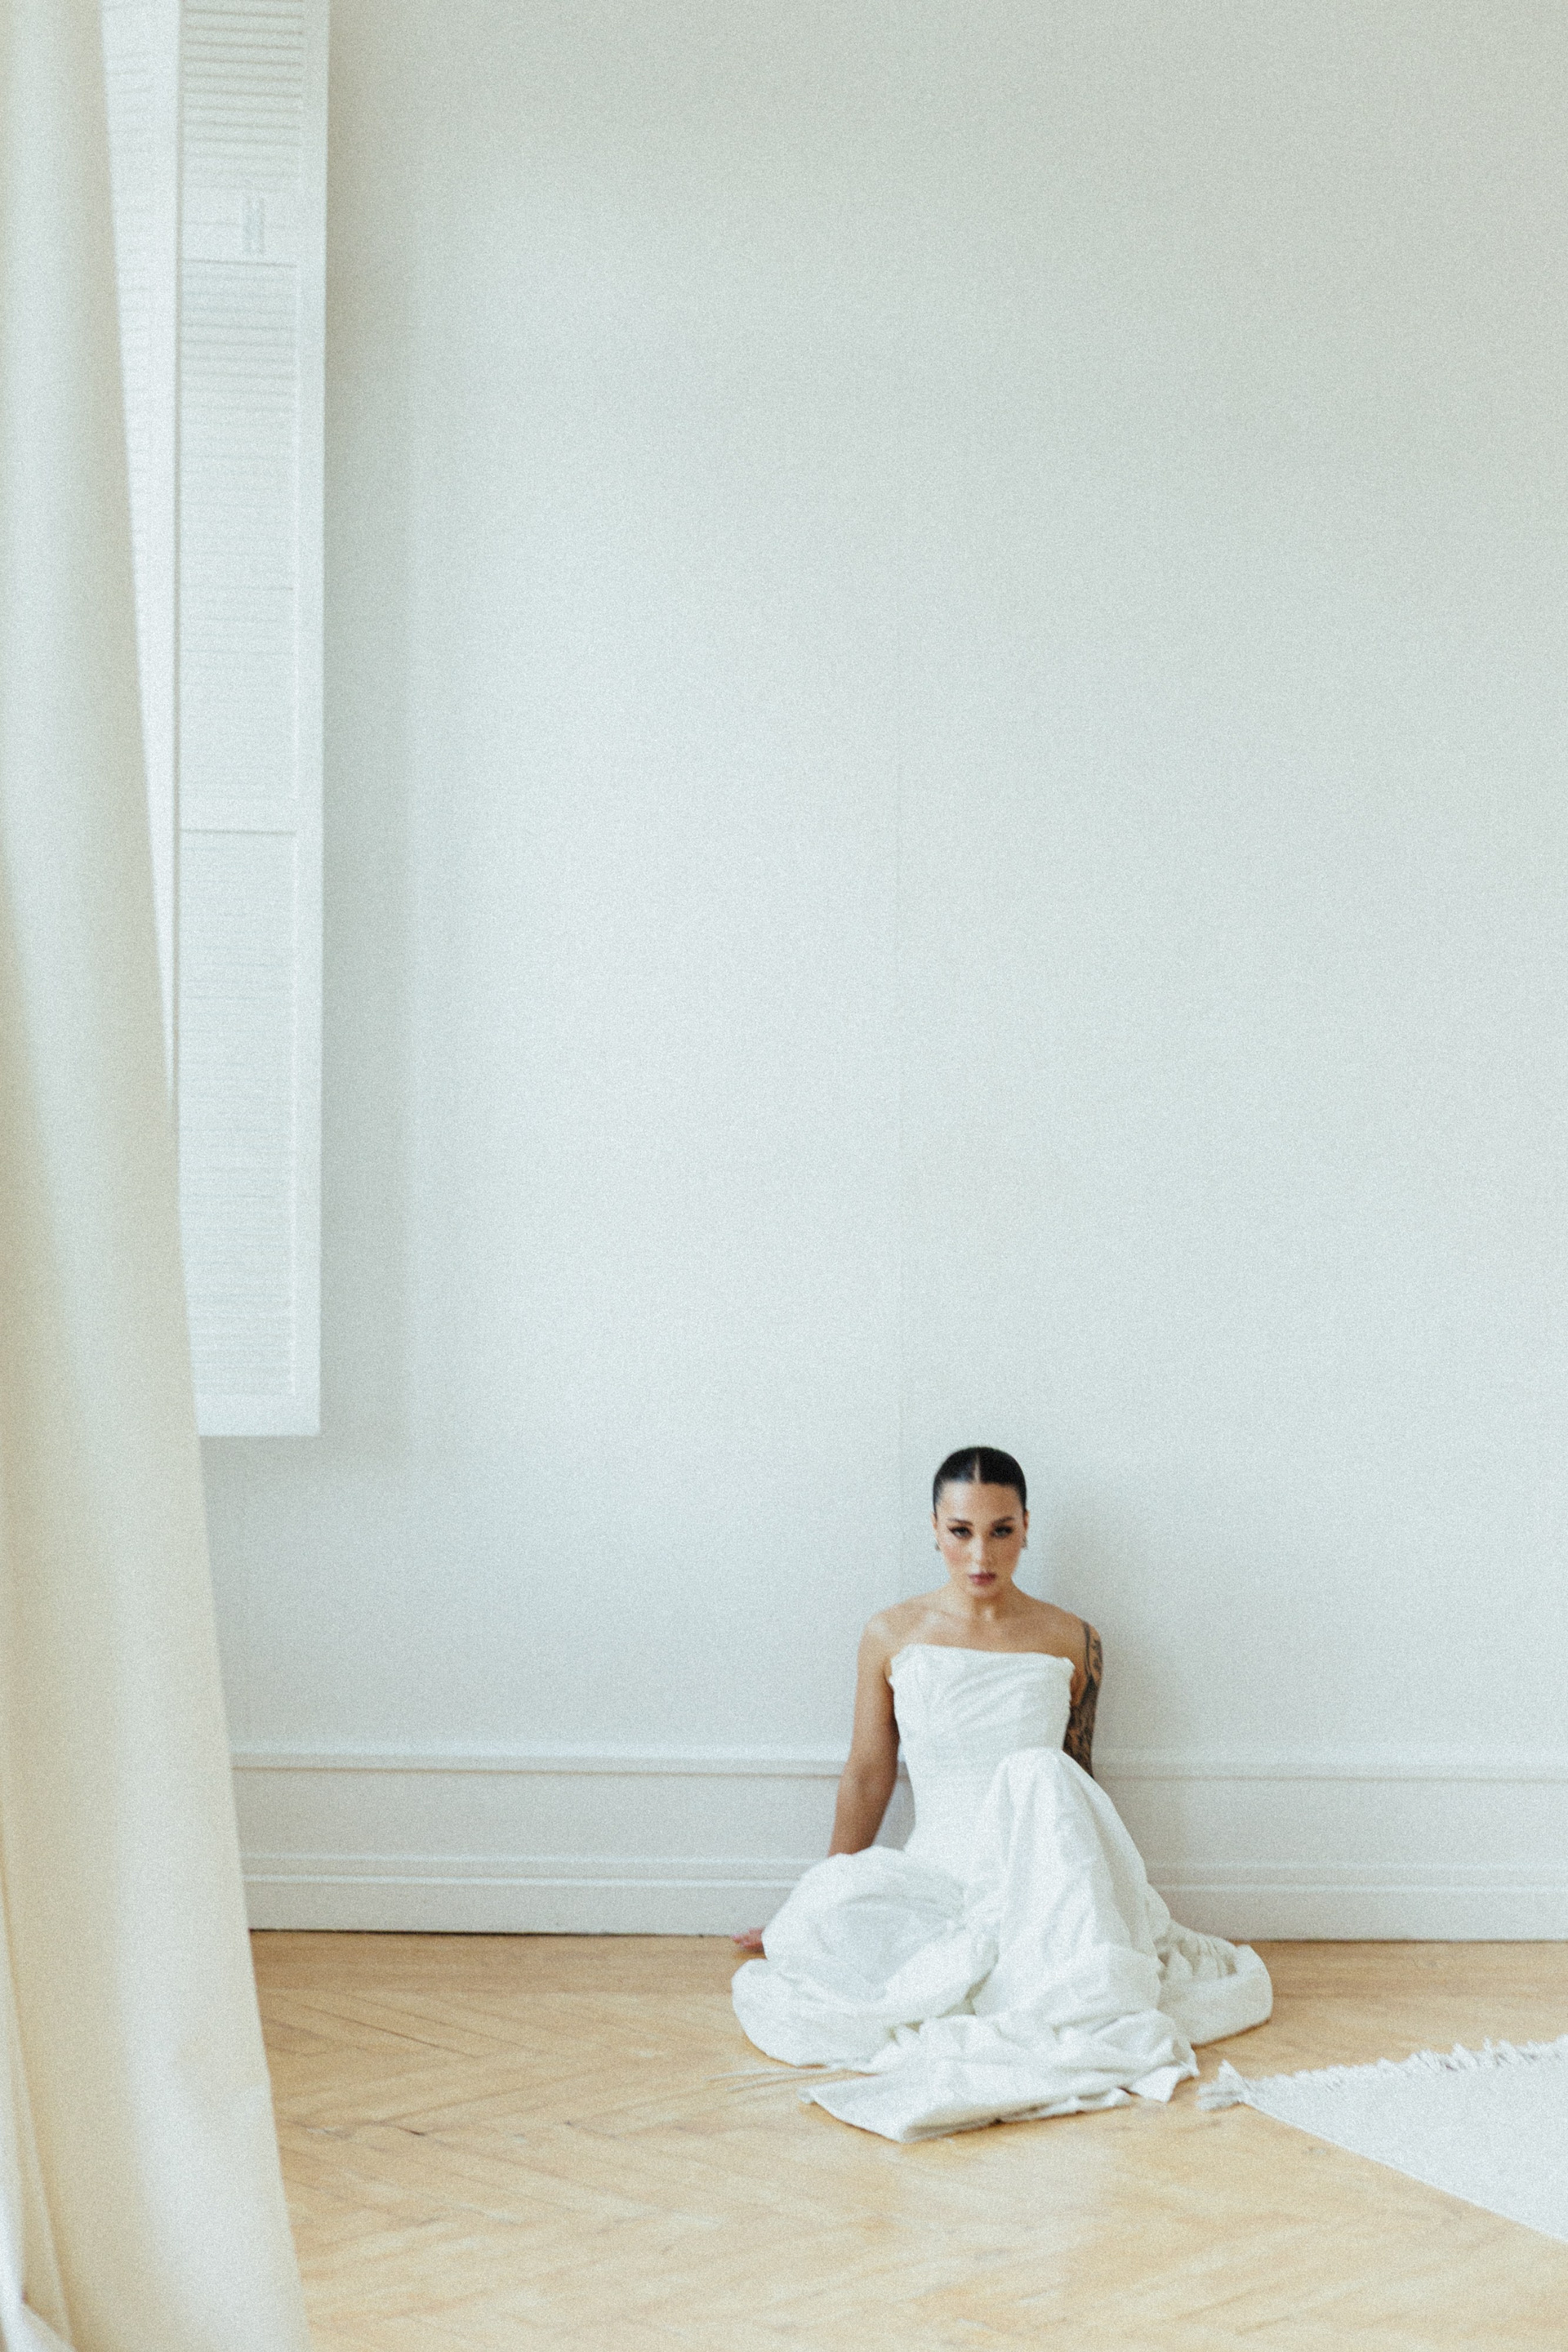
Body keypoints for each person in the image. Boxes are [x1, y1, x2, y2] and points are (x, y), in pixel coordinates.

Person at [730, 1446, 1272, 2140]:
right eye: (961, 1532)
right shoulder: (891, 1634)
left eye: (1001, 1531)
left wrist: (1108, 1897)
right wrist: (818, 1896)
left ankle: (1061, 1952)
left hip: (1039, 1872)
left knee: (1037, 1774)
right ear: (934, 1528)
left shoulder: (1074, 1639)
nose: (981, 1554)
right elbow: (869, 1771)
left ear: (1026, 1528)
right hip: (936, 1872)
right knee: (832, 1921)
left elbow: (1077, 1778)